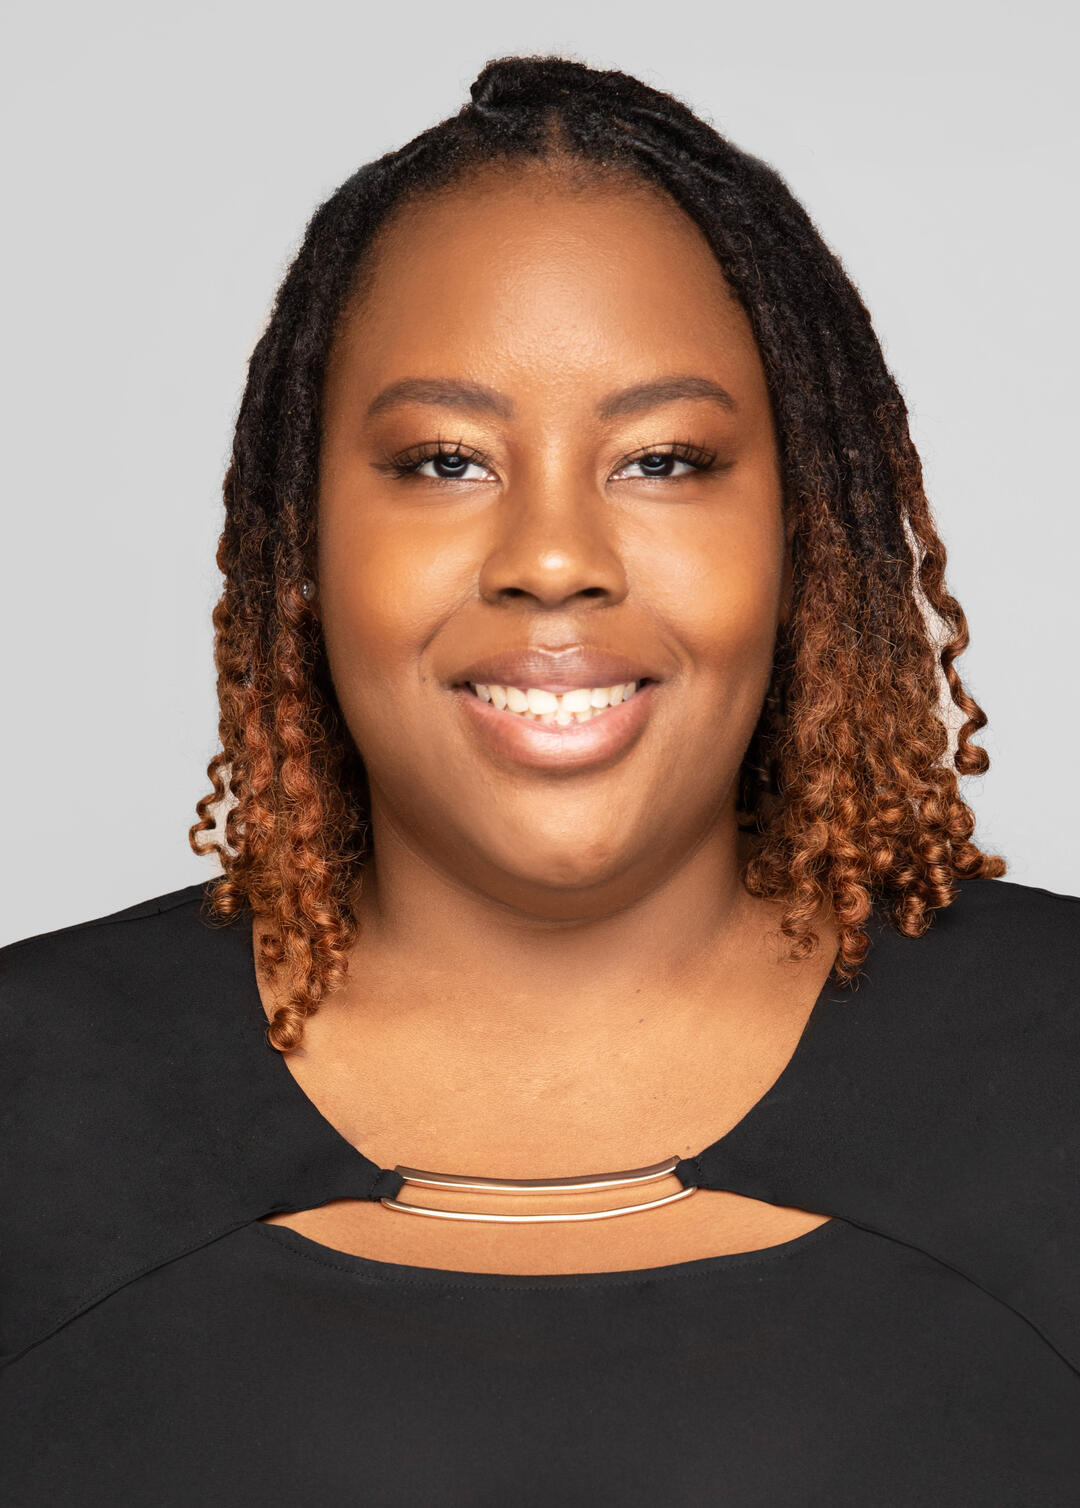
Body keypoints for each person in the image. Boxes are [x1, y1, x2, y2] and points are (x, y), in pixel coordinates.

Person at [3, 52, 1078, 1506]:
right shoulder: (29, 1103)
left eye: (665, 460)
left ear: (801, 531)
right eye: (446, 461)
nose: (555, 558)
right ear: (300, 536)